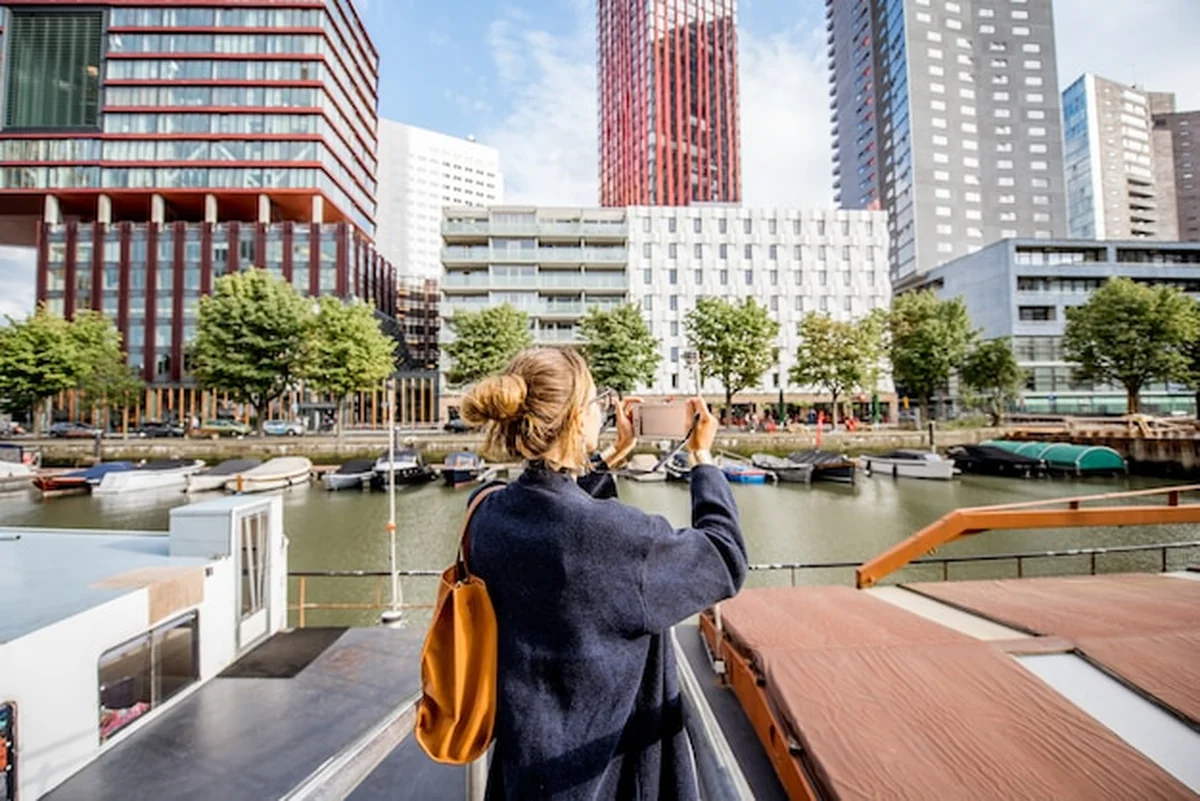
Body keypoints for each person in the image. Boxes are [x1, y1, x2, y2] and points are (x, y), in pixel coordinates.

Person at [459, 346, 747, 801]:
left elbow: (558, 517)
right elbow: (725, 558)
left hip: (521, 770)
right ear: (576, 419)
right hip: (604, 777)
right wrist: (703, 460)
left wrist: (612, 456)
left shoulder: (486, 515)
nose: (604, 411)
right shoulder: (623, 539)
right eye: (597, 401)